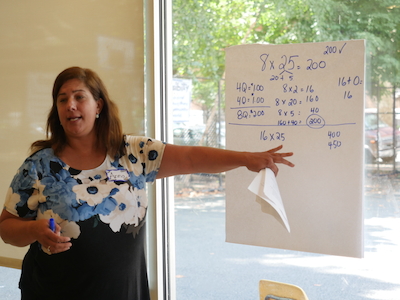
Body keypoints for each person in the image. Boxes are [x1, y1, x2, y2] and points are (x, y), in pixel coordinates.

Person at [0, 66, 294, 300]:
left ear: (98, 105)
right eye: (62, 99)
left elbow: (191, 158)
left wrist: (245, 158)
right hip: (53, 292)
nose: (70, 105)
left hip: (123, 292)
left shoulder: (133, 153)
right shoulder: (40, 165)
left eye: (79, 97)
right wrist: (33, 230)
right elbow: (6, 227)